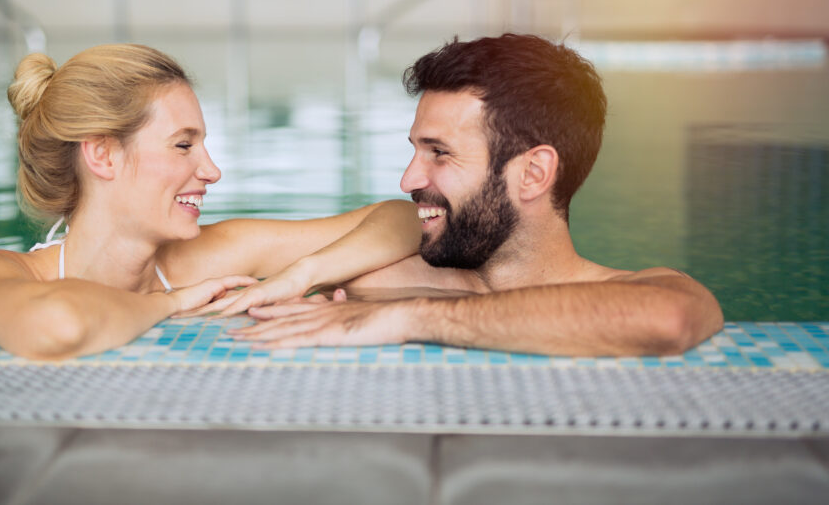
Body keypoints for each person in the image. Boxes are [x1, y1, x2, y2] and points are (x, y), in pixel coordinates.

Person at [229, 34, 724, 356]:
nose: (407, 180)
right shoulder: (379, 273)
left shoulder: (640, 291)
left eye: (439, 153)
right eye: (416, 150)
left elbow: (671, 319)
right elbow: (221, 259)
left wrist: (405, 317)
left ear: (533, 173)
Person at [0, 44, 420, 360]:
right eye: (183, 145)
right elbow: (59, 326)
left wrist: (298, 276)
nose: (212, 171)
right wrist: (170, 304)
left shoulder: (215, 254)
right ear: (103, 154)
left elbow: (405, 219)